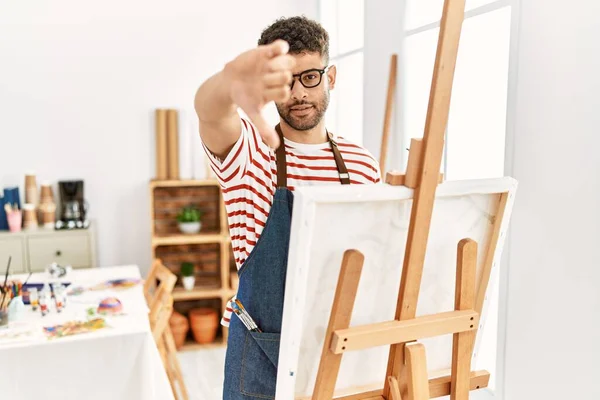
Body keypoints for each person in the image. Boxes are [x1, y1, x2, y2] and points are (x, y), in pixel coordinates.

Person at [194, 15, 381, 400]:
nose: (298, 93)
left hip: (343, 354)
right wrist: (229, 82)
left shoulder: (362, 164)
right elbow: (210, 112)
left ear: (331, 77)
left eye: (309, 77)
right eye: (285, 82)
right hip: (262, 360)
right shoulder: (250, 152)